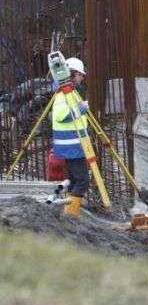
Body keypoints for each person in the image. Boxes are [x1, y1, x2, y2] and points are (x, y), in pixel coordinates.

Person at [52, 57, 91, 218]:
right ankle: (71, 214)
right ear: (72, 74)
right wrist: (81, 109)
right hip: (71, 145)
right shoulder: (63, 95)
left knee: (74, 180)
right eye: (80, 75)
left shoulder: (70, 93)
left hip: (74, 144)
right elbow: (61, 116)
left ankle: (69, 211)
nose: (82, 78)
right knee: (82, 181)